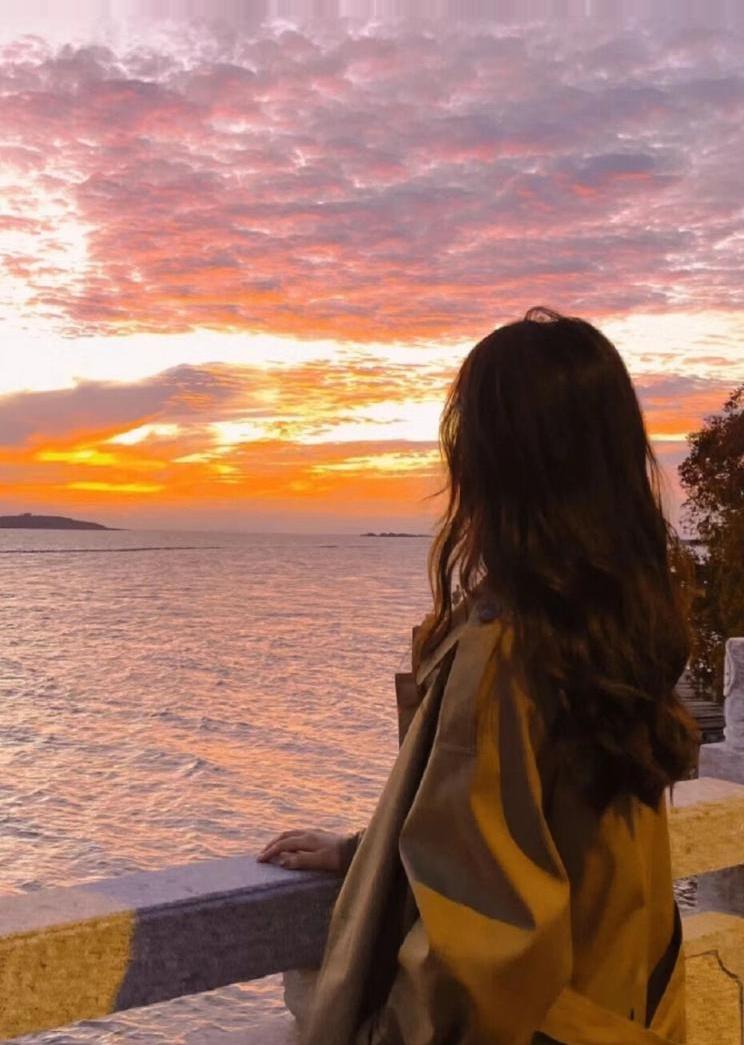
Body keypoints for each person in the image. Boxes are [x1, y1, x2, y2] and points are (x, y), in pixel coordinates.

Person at [258, 307, 700, 1044]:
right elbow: (544, 837)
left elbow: (478, 955)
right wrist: (369, 854)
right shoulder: (616, 626)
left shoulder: (505, 653)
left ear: (492, 462)